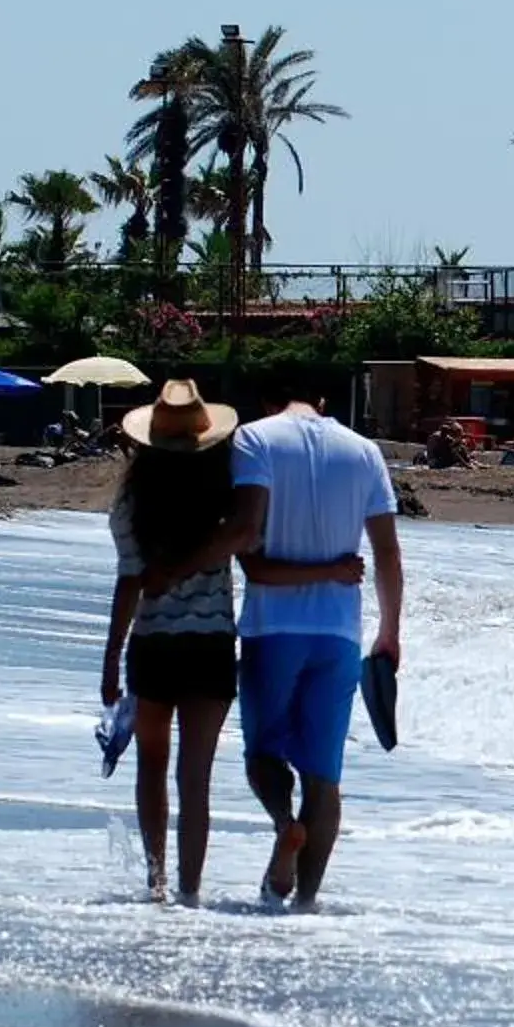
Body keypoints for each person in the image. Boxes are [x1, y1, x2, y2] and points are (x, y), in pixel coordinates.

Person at [100, 381, 358, 905]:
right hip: (212, 646)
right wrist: (330, 569)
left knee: (152, 765)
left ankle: (156, 885)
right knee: (195, 779)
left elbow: (131, 583)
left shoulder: (133, 502)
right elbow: (255, 560)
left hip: (153, 646)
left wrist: (110, 661)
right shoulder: (224, 494)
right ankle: (191, 892)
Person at [159, 389, 403, 909]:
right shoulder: (364, 450)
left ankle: (284, 824)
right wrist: (390, 632)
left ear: (270, 400)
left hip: (273, 629)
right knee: (325, 777)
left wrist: (176, 567)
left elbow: (247, 531)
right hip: (339, 632)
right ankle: (304, 904)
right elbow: (386, 550)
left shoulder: (255, 439)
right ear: (321, 397)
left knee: (263, 755)